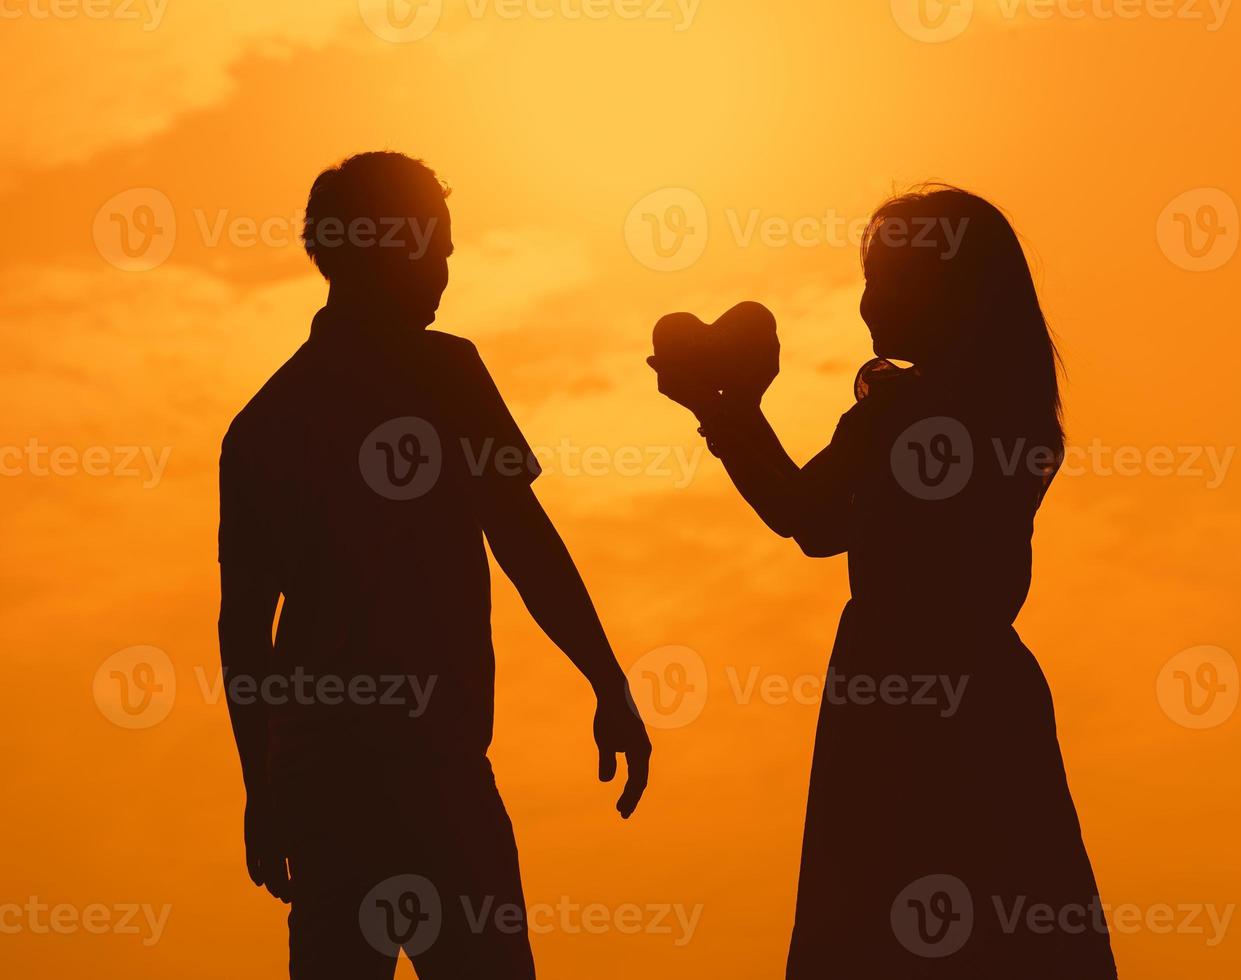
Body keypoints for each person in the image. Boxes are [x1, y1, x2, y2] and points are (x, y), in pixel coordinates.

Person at [649, 186, 1117, 977]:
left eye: (884, 276)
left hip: (893, 685)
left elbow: (807, 519)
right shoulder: (1008, 410)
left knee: (871, 914)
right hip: (985, 684)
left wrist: (721, 409)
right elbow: (822, 522)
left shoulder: (903, 413)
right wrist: (732, 414)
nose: (866, 299)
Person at [218, 151, 651, 979]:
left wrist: (264, 788)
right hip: (410, 786)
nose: (445, 272)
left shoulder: (266, 422)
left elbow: (245, 632)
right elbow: (524, 542)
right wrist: (607, 683)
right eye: (432, 249)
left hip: (354, 783)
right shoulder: (439, 376)